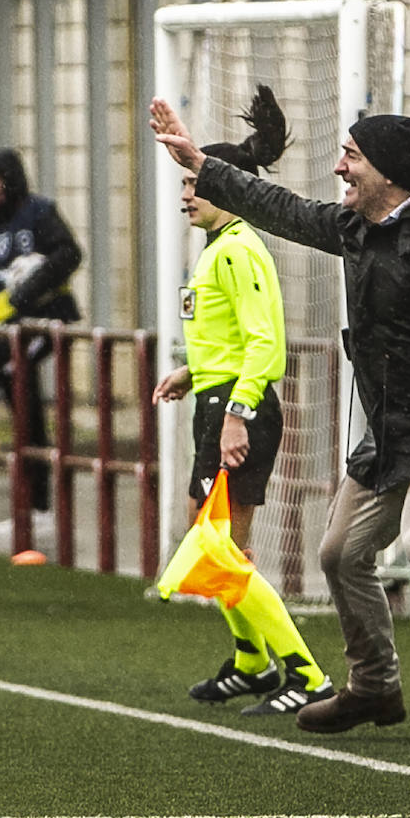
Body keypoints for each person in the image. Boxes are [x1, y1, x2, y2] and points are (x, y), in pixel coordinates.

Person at [152, 100, 410, 744]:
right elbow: (287, 212)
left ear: (388, 171)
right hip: (391, 431)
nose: (339, 168)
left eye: (351, 157)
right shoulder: (359, 227)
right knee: (340, 554)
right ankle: (375, 686)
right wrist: (201, 165)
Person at [152, 86, 335, 717]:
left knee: (222, 546)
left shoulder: (239, 250)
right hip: (218, 398)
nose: (183, 199)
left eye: (191, 188)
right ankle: (254, 662)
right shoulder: (216, 251)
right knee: (212, 539)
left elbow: (267, 345)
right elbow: (230, 340)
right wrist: (191, 372)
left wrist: (236, 412)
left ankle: (307, 674)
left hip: (241, 409)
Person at [0, 148, 83, 543]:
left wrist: (26, 292)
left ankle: (40, 505)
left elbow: (69, 253)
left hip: (41, 322)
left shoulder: (39, 213)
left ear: (10, 181)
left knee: (21, 387)